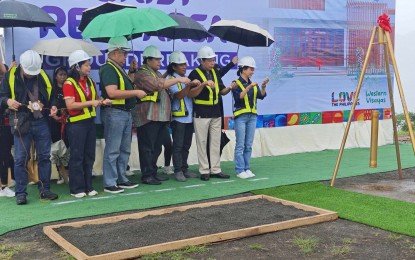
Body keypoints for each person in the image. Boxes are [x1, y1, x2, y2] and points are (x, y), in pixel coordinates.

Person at [0, 50, 59, 205]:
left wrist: (53, 106)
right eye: (29, 73)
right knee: (20, 158)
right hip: (20, 121)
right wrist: (8, 102)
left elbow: (53, 95)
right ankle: (21, 192)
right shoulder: (10, 76)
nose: (31, 75)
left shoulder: (43, 74)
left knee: (44, 156)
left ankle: (45, 189)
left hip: (41, 121)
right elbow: (1, 96)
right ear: (22, 66)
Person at [132, 45, 194, 185]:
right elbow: (156, 85)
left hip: (159, 117)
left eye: (160, 59)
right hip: (148, 116)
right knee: (147, 147)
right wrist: (178, 80)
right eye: (156, 59)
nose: (159, 62)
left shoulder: (157, 73)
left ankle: (153, 172)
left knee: (157, 146)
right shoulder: (142, 74)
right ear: (148, 60)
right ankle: (147, 175)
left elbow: (163, 83)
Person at [99, 36, 146, 194]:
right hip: (115, 113)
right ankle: (109, 182)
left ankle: (121, 178)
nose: (125, 56)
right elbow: (112, 93)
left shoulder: (119, 69)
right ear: (114, 53)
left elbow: (125, 86)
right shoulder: (108, 69)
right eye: (123, 53)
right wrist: (136, 92)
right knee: (113, 149)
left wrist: (131, 72)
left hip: (125, 113)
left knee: (124, 149)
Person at [64, 50, 111, 198]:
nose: (89, 68)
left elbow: (95, 99)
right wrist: (92, 102)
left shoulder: (89, 81)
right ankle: (76, 189)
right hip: (76, 125)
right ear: (76, 67)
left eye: (89, 65)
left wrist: (102, 101)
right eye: (86, 65)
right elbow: (70, 105)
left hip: (89, 123)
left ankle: (88, 186)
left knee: (89, 155)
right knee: (77, 156)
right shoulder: (69, 83)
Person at [188, 46, 235, 181]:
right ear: (202, 61)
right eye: (209, 60)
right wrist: (202, 85)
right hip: (201, 113)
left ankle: (215, 169)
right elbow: (190, 94)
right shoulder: (194, 74)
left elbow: (221, 91)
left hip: (216, 112)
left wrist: (230, 88)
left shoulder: (215, 73)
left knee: (215, 142)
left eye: (213, 60)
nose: (213, 62)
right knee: (202, 142)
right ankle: (204, 170)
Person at [231, 56, 268, 179]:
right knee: (240, 144)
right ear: (243, 69)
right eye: (250, 69)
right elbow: (239, 97)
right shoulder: (235, 83)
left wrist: (263, 87)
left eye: (253, 69)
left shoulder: (253, 84)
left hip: (252, 117)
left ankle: (247, 168)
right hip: (240, 117)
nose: (252, 72)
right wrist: (248, 87)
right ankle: (239, 169)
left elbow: (261, 96)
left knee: (248, 144)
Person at [165, 51, 200, 182]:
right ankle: (178, 170)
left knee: (186, 144)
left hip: (189, 117)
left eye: (185, 64)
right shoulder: (171, 80)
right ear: (174, 67)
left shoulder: (186, 79)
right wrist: (189, 85)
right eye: (181, 65)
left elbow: (191, 94)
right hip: (178, 119)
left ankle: (184, 168)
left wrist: (199, 85)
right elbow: (178, 95)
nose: (184, 67)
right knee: (178, 146)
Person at [50, 66, 69, 184]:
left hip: (67, 121)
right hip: (55, 122)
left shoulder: (68, 87)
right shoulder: (52, 89)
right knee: (57, 148)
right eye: (60, 75)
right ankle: (60, 174)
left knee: (67, 147)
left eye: (64, 75)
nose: (62, 77)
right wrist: (56, 116)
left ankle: (68, 172)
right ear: (55, 76)